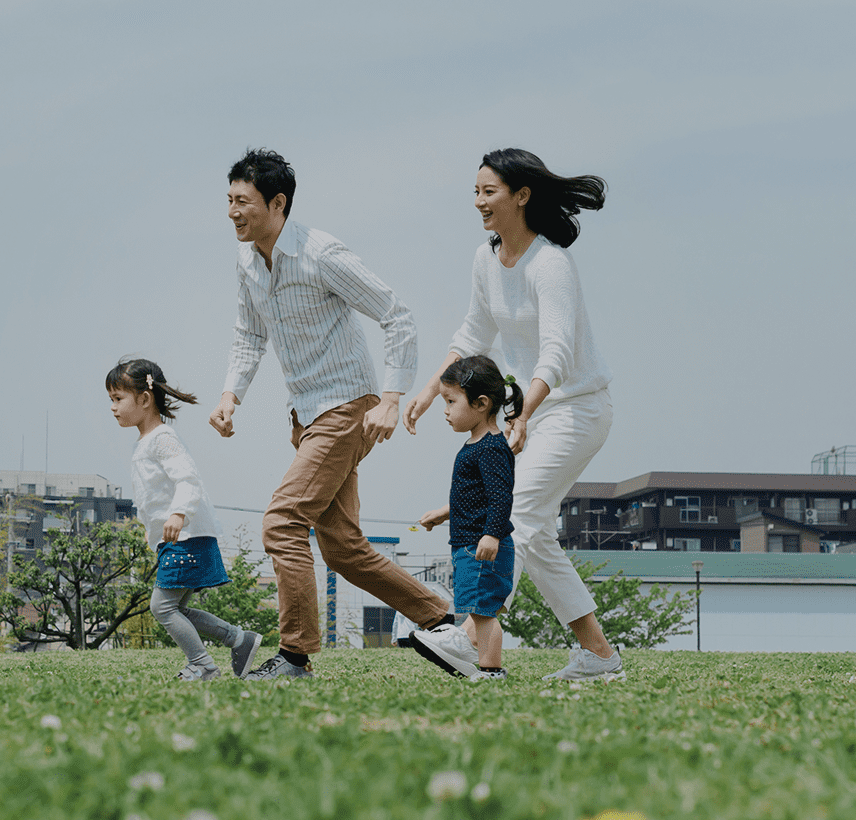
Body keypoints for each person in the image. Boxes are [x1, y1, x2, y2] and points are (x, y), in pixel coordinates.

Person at [209, 147, 464, 680]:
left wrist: (392, 397)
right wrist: (232, 393)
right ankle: (442, 620)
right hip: (306, 415)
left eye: (244, 201)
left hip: (348, 406)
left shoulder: (320, 253)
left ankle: (295, 656)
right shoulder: (247, 260)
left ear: (277, 204)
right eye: (228, 200)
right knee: (344, 549)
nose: (233, 211)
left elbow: (397, 315)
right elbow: (248, 333)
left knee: (282, 522)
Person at [405, 147, 623, 682]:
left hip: (574, 410)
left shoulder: (550, 264)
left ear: (521, 196)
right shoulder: (487, 259)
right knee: (536, 535)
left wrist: (522, 413)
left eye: (489, 192)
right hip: (528, 412)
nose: (479, 202)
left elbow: (557, 353)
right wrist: (432, 390)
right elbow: (472, 333)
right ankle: (598, 655)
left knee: (514, 518)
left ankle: (467, 635)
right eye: (476, 192)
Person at [107, 359, 262, 681]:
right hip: (178, 539)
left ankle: (203, 665)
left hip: (187, 536)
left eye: (118, 398)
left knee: (162, 608)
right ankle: (239, 639)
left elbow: (189, 479)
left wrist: (179, 513)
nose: (113, 407)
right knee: (176, 609)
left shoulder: (162, 438)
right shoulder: (147, 441)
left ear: (145, 399)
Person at [413, 355, 523, 681]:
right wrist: (444, 513)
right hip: (470, 544)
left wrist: (491, 534)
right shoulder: (475, 445)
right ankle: (480, 662)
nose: (444, 410)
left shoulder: (490, 448)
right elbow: (477, 497)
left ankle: (485, 665)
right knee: (481, 611)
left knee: (482, 613)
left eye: (450, 401)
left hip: (482, 545)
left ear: (480, 403)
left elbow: (501, 497)